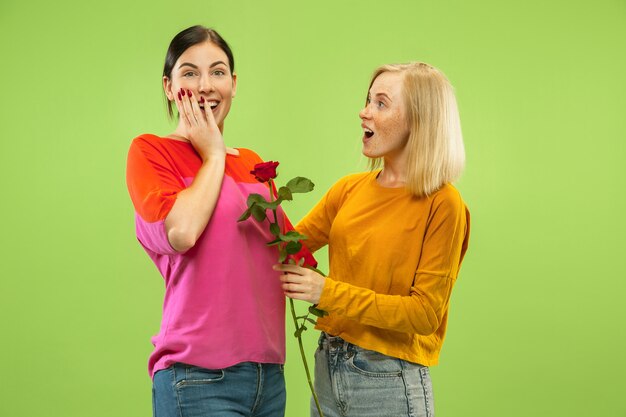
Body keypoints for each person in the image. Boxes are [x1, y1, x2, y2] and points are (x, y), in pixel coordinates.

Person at [126, 25, 307, 417]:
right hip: (197, 378)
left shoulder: (252, 163)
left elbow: (296, 256)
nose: (206, 85)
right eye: (190, 73)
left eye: (218, 71)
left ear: (234, 83)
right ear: (169, 87)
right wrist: (213, 156)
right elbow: (182, 232)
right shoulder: (151, 153)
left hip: (269, 379)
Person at [274, 62, 470, 417]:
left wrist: (326, 292)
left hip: (390, 379)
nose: (364, 112)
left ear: (419, 120)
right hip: (328, 367)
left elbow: (425, 314)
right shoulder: (349, 189)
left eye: (381, 103)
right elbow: (286, 247)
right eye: (368, 100)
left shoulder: (443, 204)